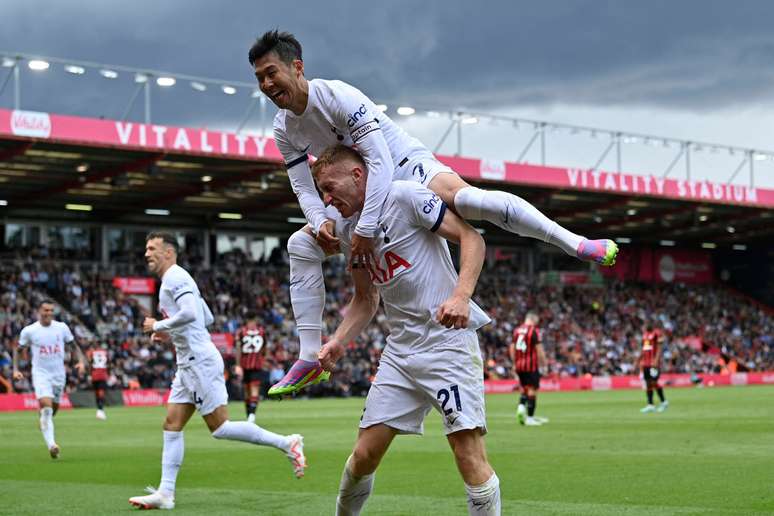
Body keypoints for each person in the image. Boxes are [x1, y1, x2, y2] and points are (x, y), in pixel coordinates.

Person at [247, 29, 619, 396]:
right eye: (259, 77)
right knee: (301, 244)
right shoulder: (284, 129)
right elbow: (302, 186)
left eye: (271, 73)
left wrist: (366, 228)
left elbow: (379, 161)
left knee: (472, 203)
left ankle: (576, 243)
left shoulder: (339, 97)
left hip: (405, 166)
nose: (266, 84)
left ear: (297, 67)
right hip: (359, 188)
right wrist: (320, 222)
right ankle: (309, 356)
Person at [312, 145, 501, 515]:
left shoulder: (405, 196)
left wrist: (462, 296)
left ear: (358, 175)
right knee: (364, 454)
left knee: (467, 454)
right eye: (321, 192)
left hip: (447, 346)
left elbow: (472, 237)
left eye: (330, 188)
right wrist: (337, 340)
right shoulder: (351, 232)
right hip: (400, 353)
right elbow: (366, 300)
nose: (327, 199)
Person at [128, 232, 306, 511]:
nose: (147, 253)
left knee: (220, 428)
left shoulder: (175, 277)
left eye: (152, 248)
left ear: (169, 252)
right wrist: (171, 333)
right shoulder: (174, 280)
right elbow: (206, 316)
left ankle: (287, 442)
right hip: (187, 363)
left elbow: (189, 314)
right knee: (172, 424)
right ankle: (165, 492)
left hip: (199, 361)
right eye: (146, 248)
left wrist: (159, 327)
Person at [12, 299, 86, 459]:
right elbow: (18, 350)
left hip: (59, 375)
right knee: (46, 406)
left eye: (51, 310)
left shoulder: (61, 328)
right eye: (46, 310)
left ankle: (44, 421)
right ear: (39, 311)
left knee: (53, 409)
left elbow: (74, 346)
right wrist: (16, 370)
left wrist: (80, 361)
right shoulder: (30, 331)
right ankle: (52, 445)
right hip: (41, 374)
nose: (49, 313)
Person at [509, 312, 548, 426]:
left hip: (519, 365)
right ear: (533, 320)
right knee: (532, 390)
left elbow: (511, 348)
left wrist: (514, 362)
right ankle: (530, 418)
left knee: (524, 388)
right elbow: (539, 350)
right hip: (531, 365)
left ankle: (521, 408)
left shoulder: (516, 330)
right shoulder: (533, 331)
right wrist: (544, 364)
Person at [233, 312, 268, 423]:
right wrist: (262, 359)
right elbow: (264, 349)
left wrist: (238, 365)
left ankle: (250, 415)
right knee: (253, 390)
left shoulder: (240, 332)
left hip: (244, 365)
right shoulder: (262, 331)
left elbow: (238, 349)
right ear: (255, 319)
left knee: (248, 391)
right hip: (257, 365)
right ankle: (251, 415)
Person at [639, 323, 668, 413]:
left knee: (653, 382)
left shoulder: (656, 333)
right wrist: (640, 360)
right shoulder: (644, 335)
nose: (645, 326)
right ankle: (650, 405)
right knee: (648, 383)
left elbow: (659, 347)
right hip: (646, 363)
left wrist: (656, 360)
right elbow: (644, 349)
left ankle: (664, 402)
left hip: (653, 363)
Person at [86, 342, 109, 420]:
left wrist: (89, 374)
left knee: (97, 392)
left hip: (94, 374)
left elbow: (89, 363)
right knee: (101, 392)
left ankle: (99, 410)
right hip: (102, 373)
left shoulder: (91, 352)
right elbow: (108, 362)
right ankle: (100, 410)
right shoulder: (104, 352)